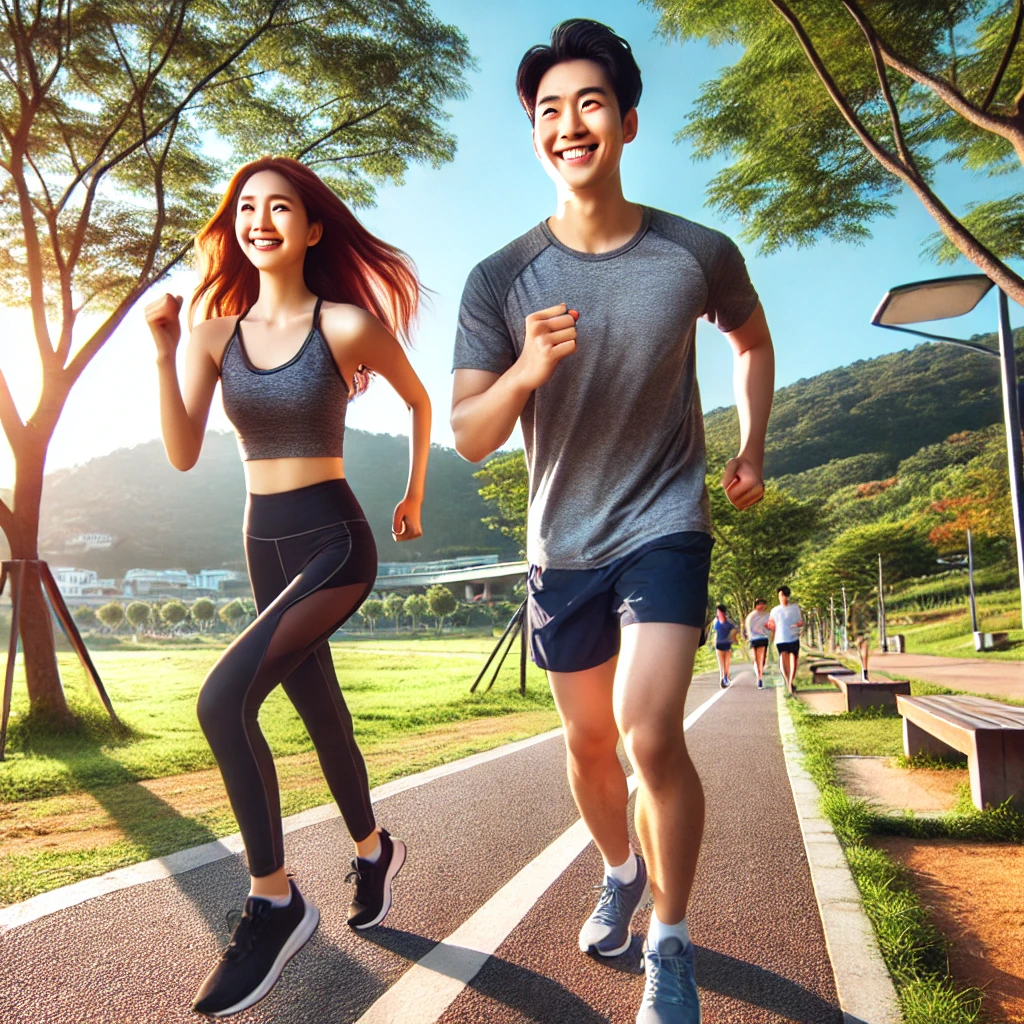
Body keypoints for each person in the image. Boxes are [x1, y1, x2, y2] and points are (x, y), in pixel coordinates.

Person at [449, 20, 774, 1023]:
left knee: (648, 732)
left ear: (626, 123)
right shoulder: (499, 279)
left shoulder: (694, 252)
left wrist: (752, 443)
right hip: (562, 544)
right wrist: (525, 371)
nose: (568, 123)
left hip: (665, 521)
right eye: (549, 110)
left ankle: (669, 947)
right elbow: (468, 431)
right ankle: (619, 868)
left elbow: (750, 338)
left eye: (588, 103)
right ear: (536, 135)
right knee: (591, 748)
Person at [146, 156, 431, 1018]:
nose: (260, 218)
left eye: (280, 207)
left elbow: (420, 402)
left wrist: (414, 492)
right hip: (261, 543)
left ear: (312, 229)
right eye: (245, 207)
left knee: (221, 702)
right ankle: (375, 848)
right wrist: (164, 350)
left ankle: (274, 900)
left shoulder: (345, 325)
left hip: (336, 543)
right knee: (320, 713)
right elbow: (183, 450)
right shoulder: (209, 333)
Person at [768, 586, 803, 694]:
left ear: (787, 596)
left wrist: (795, 626)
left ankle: (790, 681)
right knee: (783, 660)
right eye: (780, 595)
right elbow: (771, 624)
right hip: (781, 638)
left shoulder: (795, 608)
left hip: (793, 637)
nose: (781, 598)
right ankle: (788, 683)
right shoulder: (775, 610)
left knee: (794, 659)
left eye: (783, 595)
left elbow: (800, 622)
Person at [711, 605, 739, 688]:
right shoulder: (715, 622)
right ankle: (722, 680)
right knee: (721, 664)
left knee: (727, 663)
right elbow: (713, 633)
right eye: (718, 611)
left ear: (723, 612)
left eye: (720, 611)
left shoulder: (729, 622)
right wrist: (713, 642)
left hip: (727, 645)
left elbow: (735, 629)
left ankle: (725, 677)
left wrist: (733, 638)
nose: (719, 613)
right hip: (719, 645)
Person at [744, 598, 770, 688]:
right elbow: (748, 628)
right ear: (756, 605)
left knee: (762, 658)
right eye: (760, 604)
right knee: (756, 658)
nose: (762, 606)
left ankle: (760, 677)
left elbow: (770, 626)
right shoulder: (751, 616)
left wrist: (769, 629)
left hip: (763, 638)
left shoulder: (767, 615)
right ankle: (759, 675)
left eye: (763, 604)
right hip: (754, 639)